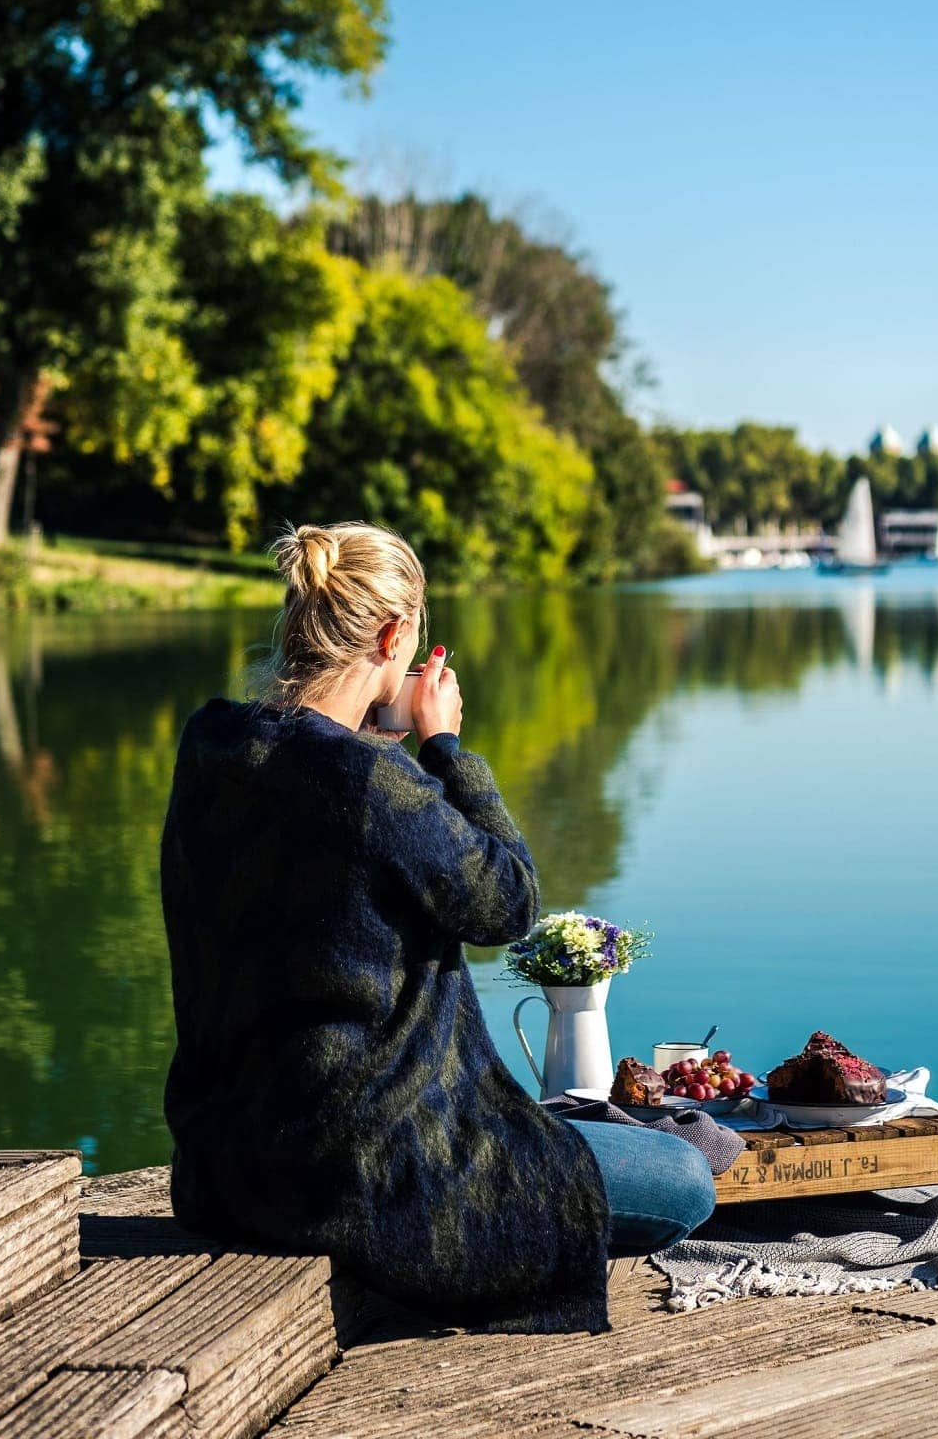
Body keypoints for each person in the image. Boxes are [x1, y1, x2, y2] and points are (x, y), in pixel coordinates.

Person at [159, 519, 715, 1336]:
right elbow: (509, 904)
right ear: (393, 635)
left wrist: (379, 733)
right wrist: (445, 745)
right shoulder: (373, 784)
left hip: (221, 1171)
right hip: (370, 1177)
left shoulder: (213, 746)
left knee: (583, 1136)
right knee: (682, 1176)